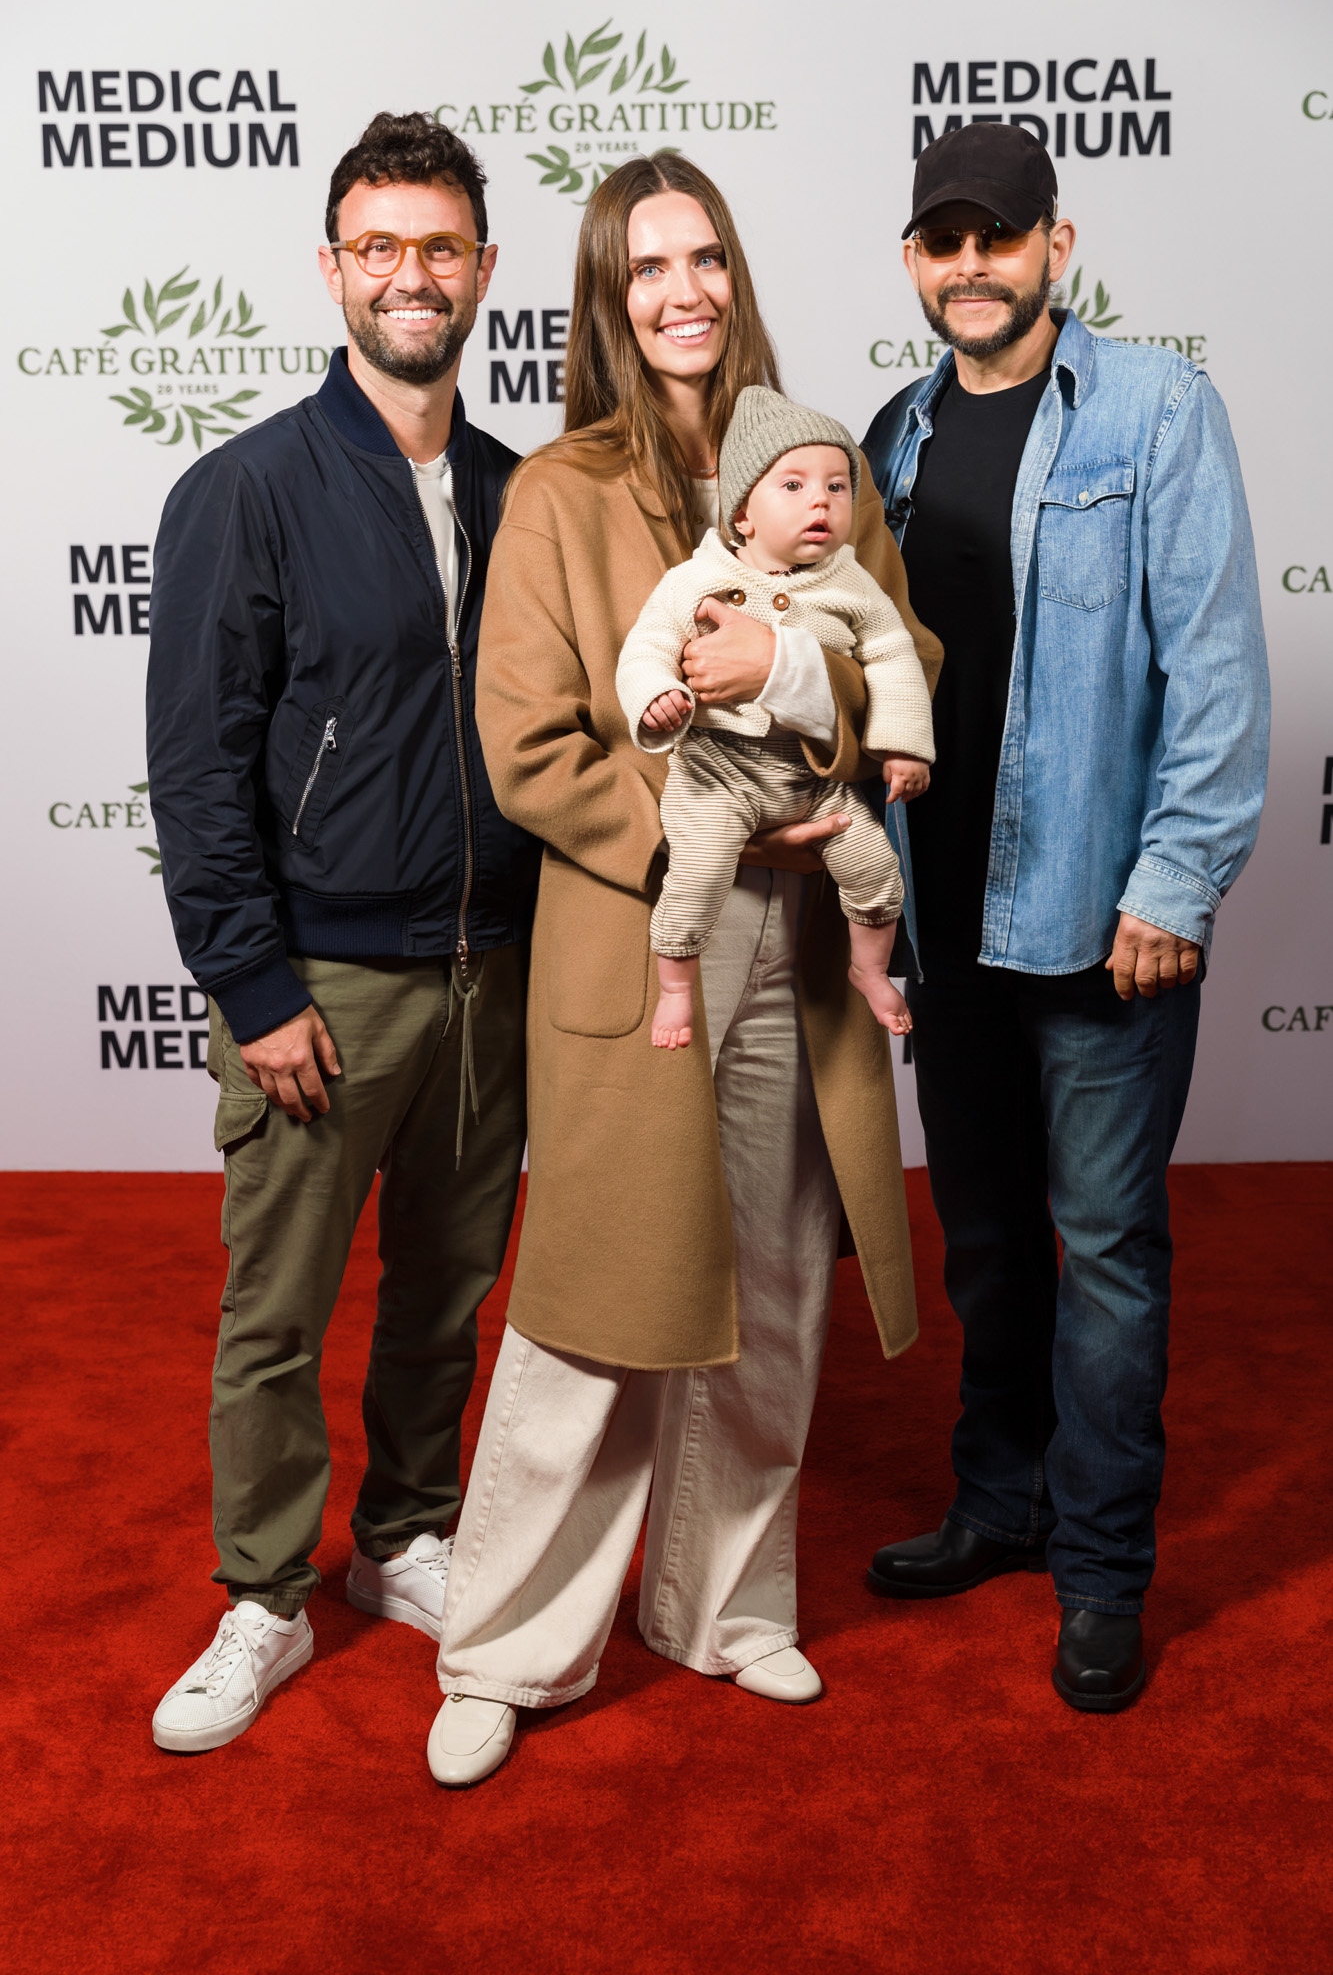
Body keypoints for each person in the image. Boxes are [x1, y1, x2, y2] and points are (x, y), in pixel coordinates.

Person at [425, 151, 943, 1788]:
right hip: (645, 928)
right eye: (647, 266)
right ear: (607, 295)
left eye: (704, 256)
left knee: (776, 1288)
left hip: (804, 949)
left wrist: (789, 667)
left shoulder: (815, 460)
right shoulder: (559, 490)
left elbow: (904, 663)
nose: (682, 291)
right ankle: (503, 1647)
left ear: (735, 273)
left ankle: (722, 1606)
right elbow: (529, 746)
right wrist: (710, 833)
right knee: (592, 1313)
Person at [860, 124, 1269, 1710]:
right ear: (914, 260)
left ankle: (1100, 1571)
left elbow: (1216, 665)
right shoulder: (890, 436)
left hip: (1102, 923)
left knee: (1104, 1254)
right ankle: (1001, 1501)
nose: (971, 266)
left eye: (1000, 237)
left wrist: (1175, 882)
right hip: (946, 920)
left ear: (1057, 245)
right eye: (943, 241)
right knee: (983, 1243)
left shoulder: (1157, 408)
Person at [145, 112, 538, 1754]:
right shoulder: (244, 490)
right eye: (378, 246)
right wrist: (252, 983)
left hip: (490, 974)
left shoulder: (523, 490)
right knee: (280, 1312)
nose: (408, 274)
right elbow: (197, 765)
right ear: (332, 270)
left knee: (448, 1289)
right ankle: (262, 1594)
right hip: (321, 983)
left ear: (483, 271)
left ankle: (404, 1536)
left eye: (437, 246)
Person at [615, 385, 935, 1049]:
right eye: (793, 485)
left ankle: (870, 969)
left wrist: (903, 745)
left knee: (876, 867)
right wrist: (656, 695)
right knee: (700, 869)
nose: (821, 501)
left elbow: (894, 653)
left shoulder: (852, 584)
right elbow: (646, 646)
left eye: (837, 487)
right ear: (743, 515)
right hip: (718, 773)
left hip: (813, 783)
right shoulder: (694, 580)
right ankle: (675, 987)